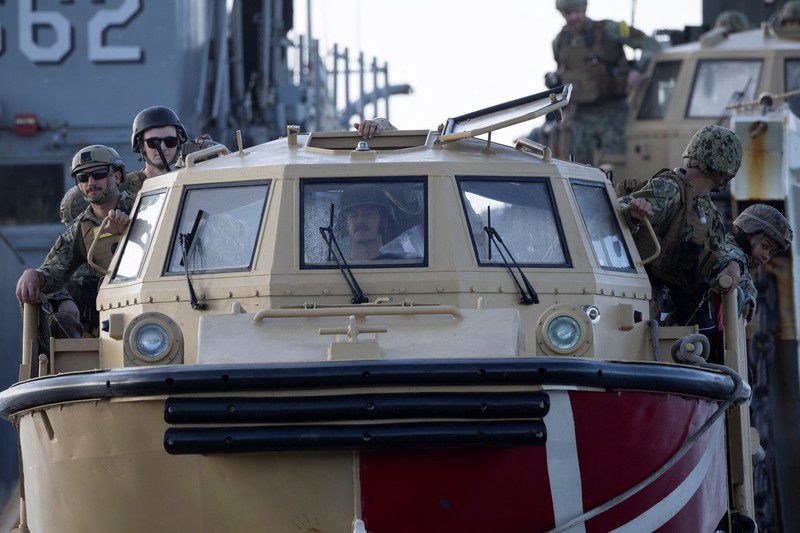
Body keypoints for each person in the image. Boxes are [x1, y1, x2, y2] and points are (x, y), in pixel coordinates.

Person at [618, 125, 744, 363]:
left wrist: (734, 266)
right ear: (724, 171)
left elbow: (719, 251)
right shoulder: (670, 189)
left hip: (673, 300)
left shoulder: (706, 209)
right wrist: (633, 215)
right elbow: (616, 213)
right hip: (642, 295)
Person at [16, 145, 132, 337]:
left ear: (117, 177)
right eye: (82, 178)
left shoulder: (145, 206)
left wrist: (127, 234)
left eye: (99, 174)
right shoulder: (80, 228)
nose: (91, 182)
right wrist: (33, 275)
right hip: (108, 316)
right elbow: (53, 272)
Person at [544, 0, 661, 166]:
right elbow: (565, 73)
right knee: (579, 170)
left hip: (613, 113)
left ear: (585, 8)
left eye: (577, 11)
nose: (573, 17)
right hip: (580, 117)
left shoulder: (610, 30)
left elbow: (650, 44)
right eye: (568, 13)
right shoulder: (560, 42)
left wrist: (638, 70)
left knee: (617, 168)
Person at [717, 204, 793, 322]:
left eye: (771, 252)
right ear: (748, 231)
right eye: (765, 246)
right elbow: (730, 259)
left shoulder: (743, 264)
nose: (766, 255)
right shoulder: (729, 252)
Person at [339, 184, 398, 260]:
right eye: (353, 215)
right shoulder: (333, 268)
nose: (360, 220)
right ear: (346, 225)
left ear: (384, 222)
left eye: (368, 214)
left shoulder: (402, 267)